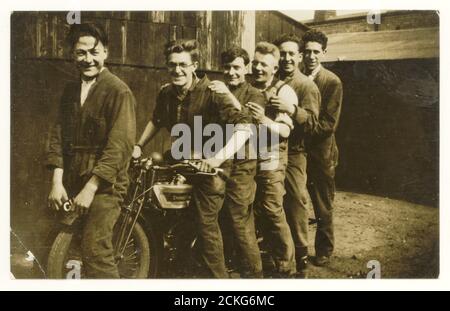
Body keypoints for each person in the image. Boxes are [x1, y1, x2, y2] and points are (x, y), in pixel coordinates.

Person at [132, 39, 253, 278]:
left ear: (194, 65)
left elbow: (245, 128)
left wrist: (217, 159)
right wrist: (138, 146)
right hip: (183, 164)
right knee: (162, 212)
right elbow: (156, 121)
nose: (177, 70)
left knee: (205, 225)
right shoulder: (167, 93)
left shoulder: (213, 92)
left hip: (211, 171)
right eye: (172, 64)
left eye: (183, 64)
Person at [46, 23, 136, 278]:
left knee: (95, 251)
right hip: (72, 179)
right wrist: (57, 182)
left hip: (106, 186)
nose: (88, 59)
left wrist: (91, 188)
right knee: (65, 249)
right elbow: (58, 136)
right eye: (81, 53)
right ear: (73, 55)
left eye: (94, 52)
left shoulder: (119, 91)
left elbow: (119, 147)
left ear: (106, 53)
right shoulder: (69, 90)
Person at [207, 46, 265, 278]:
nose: (231, 72)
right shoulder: (215, 92)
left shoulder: (255, 94)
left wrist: (227, 96)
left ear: (246, 68)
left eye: (237, 67)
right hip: (220, 161)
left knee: (239, 220)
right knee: (217, 217)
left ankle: (255, 275)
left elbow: (247, 124)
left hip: (242, 164)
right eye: (227, 67)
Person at [249, 42, 298, 277]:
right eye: (255, 63)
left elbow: (286, 131)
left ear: (275, 67)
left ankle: (285, 262)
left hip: (272, 157)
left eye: (264, 64)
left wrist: (263, 120)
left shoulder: (283, 91)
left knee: (271, 207)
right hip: (248, 155)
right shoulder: (248, 87)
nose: (258, 68)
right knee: (250, 207)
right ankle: (262, 254)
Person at [272, 33, 321, 273]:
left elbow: (313, 123)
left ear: (300, 57)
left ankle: (301, 253)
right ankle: (277, 252)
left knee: (296, 198)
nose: (287, 58)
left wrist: (291, 109)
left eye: (292, 54)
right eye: (283, 53)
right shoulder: (270, 78)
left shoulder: (306, 85)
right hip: (268, 148)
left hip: (293, 152)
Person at [301, 29, 343, 266]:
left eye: (316, 52)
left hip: (321, 152)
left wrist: (299, 133)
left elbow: (328, 123)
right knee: (295, 200)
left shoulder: (331, 81)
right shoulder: (295, 78)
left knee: (322, 202)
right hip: (297, 152)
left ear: (324, 53)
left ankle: (324, 250)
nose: (311, 56)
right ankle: (296, 248)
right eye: (307, 51)